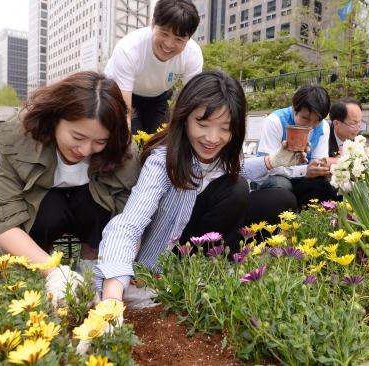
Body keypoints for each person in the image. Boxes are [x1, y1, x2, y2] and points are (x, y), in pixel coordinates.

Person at [92, 71, 305, 303]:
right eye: (202, 124)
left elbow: (237, 168)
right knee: (237, 188)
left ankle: (224, 267)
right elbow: (129, 225)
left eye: (225, 128)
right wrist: (112, 298)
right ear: (184, 117)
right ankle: (193, 275)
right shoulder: (162, 162)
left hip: (203, 235)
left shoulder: (221, 155)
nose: (213, 138)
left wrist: (274, 160)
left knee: (281, 199)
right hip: (169, 253)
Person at [0, 71, 141, 306]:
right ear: (55, 119)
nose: (85, 150)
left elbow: (130, 221)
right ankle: (40, 272)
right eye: (77, 136)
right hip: (43, 213)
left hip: (89, 212)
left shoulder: (122, 149)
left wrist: (114, 280)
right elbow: (3, 216)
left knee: (96, 207)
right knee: (48, 210)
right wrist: (54, 272)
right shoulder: (21, 135)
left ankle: (90, 270)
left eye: (99, 142)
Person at [105, 0, 202, 134]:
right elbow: (124, 113)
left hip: (158, 97)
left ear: (189, 38)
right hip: (124, 93)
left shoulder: (193, 54)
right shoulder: (128, 50)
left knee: (161, 140)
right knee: (132, 137)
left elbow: (193, 102)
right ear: (152, 24)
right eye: (164, 33)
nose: (168, 44)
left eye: (178, 39)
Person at [256, 85, 339, 207]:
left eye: (317, 121)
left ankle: (300, 218)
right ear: (294, 108)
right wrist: (304, 171)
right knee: (282, 185)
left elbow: (316, 161)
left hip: (299, 179)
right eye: (305, 118)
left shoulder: (323, 127)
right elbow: (269, 167)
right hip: (269, 177)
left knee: (328, 184)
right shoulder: (275, 121)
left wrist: (322, 169)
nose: (310, 126)